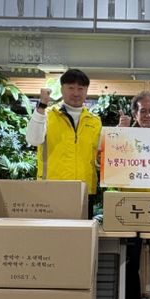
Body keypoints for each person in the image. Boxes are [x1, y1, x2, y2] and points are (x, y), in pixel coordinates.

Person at [25, 69, 102, 215]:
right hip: (52, 189)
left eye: (80, 88)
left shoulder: (95, 121)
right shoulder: (47, 115)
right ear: (62, 89)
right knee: (53, 230)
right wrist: (41, 106)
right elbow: (33, 140)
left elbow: (99, 158)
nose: (76, 93)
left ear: (86, 91)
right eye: (71, 88)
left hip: (85, 191)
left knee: (82, 230)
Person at [116, 90, 150, 299]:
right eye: (143, 111)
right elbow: (103, 164)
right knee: (130, 260)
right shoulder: (123, 136)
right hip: (130, 207)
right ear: (135, 114)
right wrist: (119, 134)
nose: (147, 115)